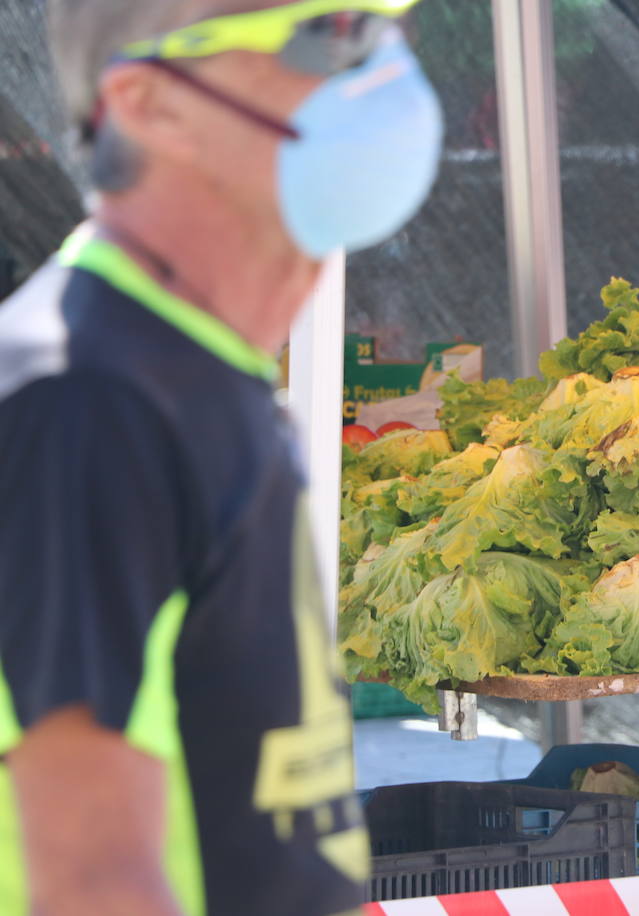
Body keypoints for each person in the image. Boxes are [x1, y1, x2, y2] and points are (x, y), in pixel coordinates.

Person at [0, 1, 443, 913]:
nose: (386, 70)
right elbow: (92, 880)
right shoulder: (85, 399)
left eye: (391, 25)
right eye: (335, 34)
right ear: (151, 103)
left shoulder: (196, 367)